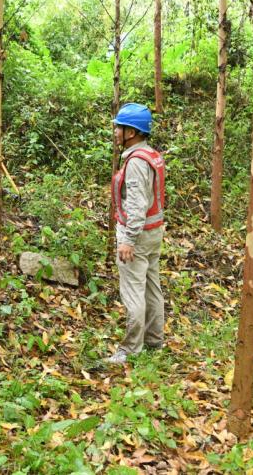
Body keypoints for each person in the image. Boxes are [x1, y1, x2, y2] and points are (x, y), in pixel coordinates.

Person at [106, 103, 167, 365]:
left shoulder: (136, 163)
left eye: (119, 127)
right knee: (152, 289)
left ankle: (131, 349)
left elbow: (137, 205)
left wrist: (128, 240)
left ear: (131, 132)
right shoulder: (151, 154)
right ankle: (155, 341)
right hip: (154, 233)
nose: (116, 132)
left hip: (138, 236)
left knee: (134, 292)